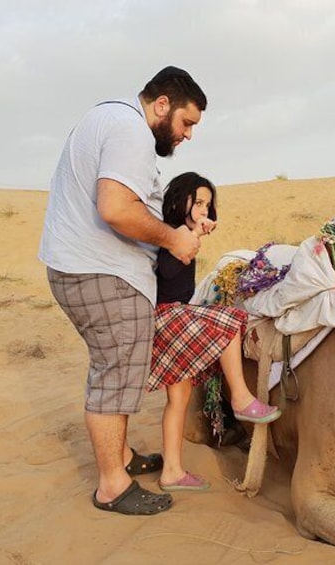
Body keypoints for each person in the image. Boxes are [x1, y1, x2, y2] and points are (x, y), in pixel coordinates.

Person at [38, 66, 207, 516]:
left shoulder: (110, 120)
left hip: (87, 267)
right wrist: (174, 239)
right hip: (101, 272)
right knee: (114, 374)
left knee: (115, 369)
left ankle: (124, 458)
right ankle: (113, 484)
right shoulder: (129, 129)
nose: (188, 135)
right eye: (187, 123)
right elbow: (115, 207)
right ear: (162, 105)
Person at [147, 172, 281, 492]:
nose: (205, 208)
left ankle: (172, 472)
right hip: (169, 316)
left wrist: (194, 233)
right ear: (182, 200)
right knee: (230, 321)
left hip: (171, 317)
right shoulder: (173, 233)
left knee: (178, 400)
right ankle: (240, 397)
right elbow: (167, 270)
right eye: (199, 202)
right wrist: (190, 233)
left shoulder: (180, 233)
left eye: (208, 204)